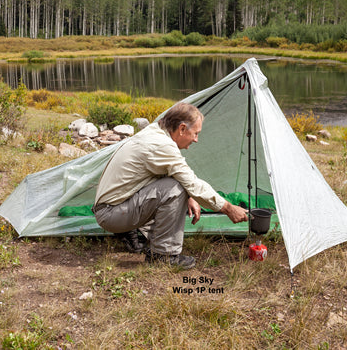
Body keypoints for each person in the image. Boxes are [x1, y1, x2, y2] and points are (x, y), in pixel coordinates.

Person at [93, 102, 248, 269]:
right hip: (111, 214)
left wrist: (189, 197)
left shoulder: (155, 132)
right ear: (181, 129)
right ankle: (163, 255)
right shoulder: (162, 145)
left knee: (179, 187)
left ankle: (137, 235)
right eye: (195, 133)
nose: (196, 139)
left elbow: (162, 172)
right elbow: (192, 183)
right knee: (175, 189)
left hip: (114, 208)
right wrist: (228, 208)